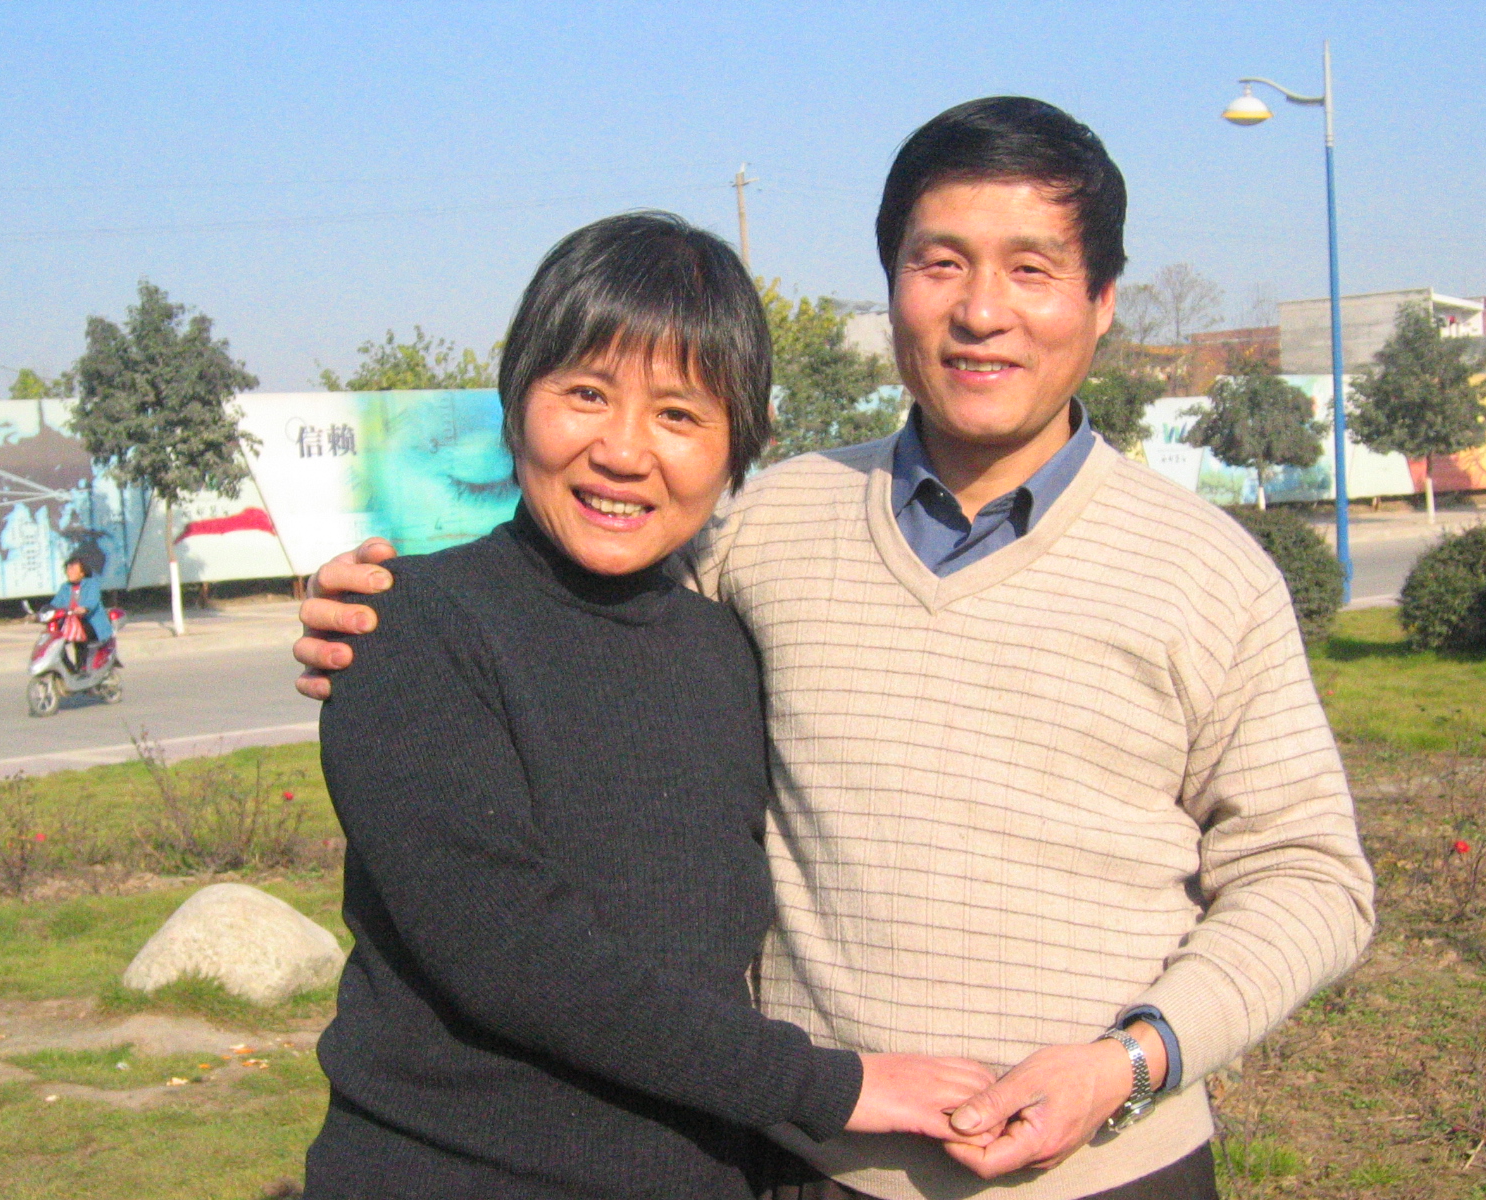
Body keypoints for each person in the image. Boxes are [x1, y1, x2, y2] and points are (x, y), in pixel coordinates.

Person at [296, 99, 1375, 1200]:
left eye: (1031, 269)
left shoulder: (1207, 571)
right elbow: (569, 596)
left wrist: (1129, 1062)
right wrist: (373, 606)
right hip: (811, 1165)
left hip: (1108, 1172)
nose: (981, 312)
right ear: (893, 285)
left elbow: (1308, 875)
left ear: (1100, 301)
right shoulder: (768, 528)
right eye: (940, 263)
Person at [300, 212, 999, 1200]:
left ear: (738, 448)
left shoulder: (728, 647)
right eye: (586, 394)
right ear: (517, 403)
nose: (623, 452)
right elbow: (510, 951)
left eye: (678, 414)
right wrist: (832, 1087)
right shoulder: (413, 629)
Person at [49, 554, 112, 673]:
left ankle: (83, 668)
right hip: (71, 623)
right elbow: (55, 603)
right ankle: (69, 670)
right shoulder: (65, 587)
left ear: (82, 572)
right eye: (68, 569)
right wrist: (44, 612)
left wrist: (84, 608)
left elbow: (92, 601)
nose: (69, 572)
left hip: (91, 623)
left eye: (73, 569)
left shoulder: (91, 584)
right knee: (54, 641)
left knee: (81, 635)